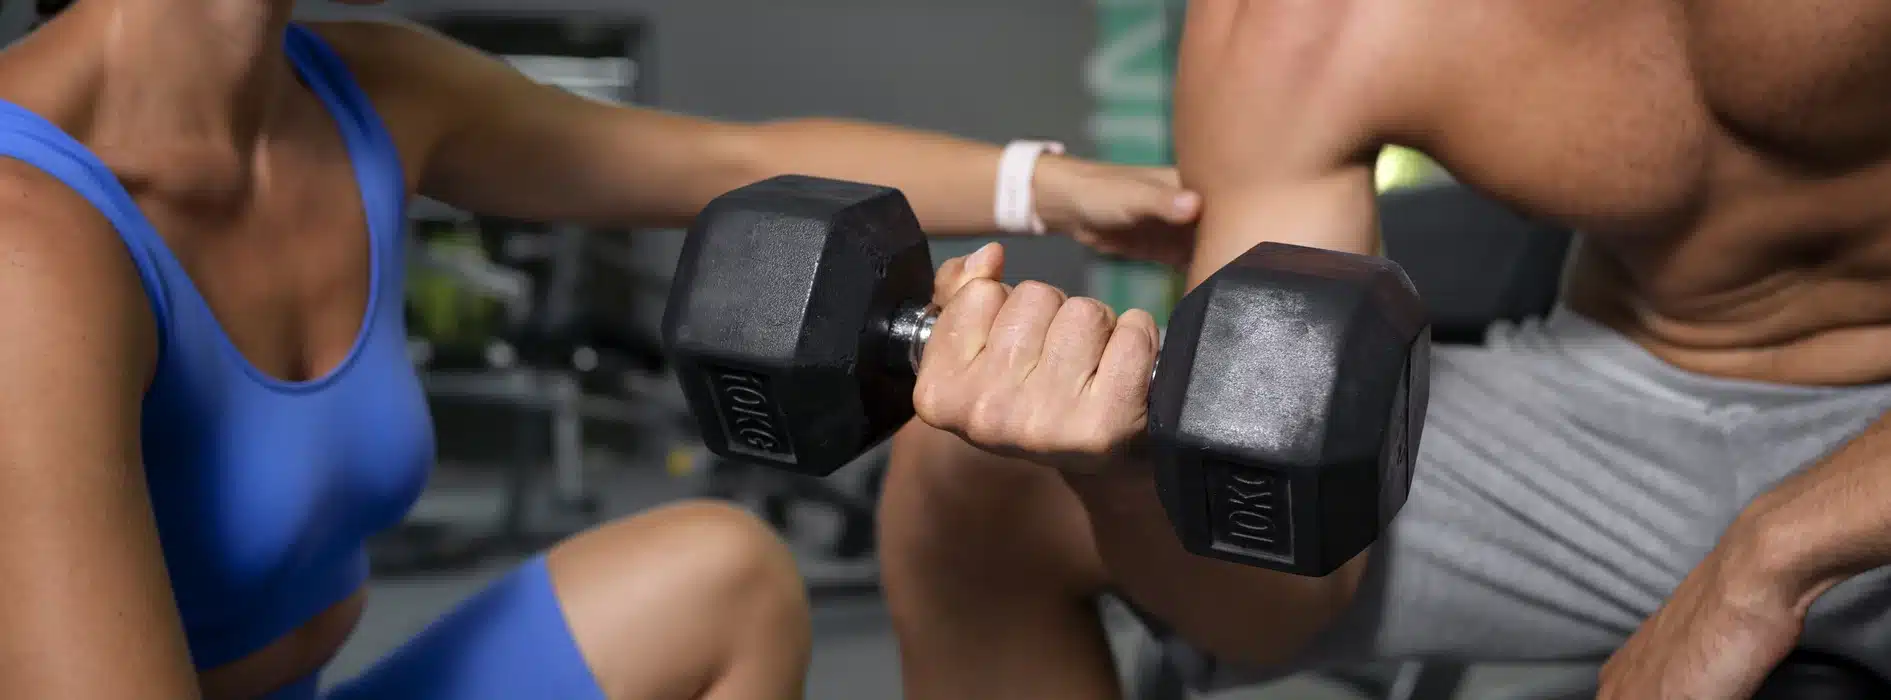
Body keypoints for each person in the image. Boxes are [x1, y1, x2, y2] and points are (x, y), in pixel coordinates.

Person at [0, 1, 1200, 699]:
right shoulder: (25, 239)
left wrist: (1047, 187)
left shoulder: (359, 87)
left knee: (718, 574)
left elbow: (716, 165)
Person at [882, 1, 1891, 699]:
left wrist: (1777, 548)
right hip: (1607, 418)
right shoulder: (1296, 30)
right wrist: (1121, 476)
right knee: (971, 488)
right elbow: (1272, 579)